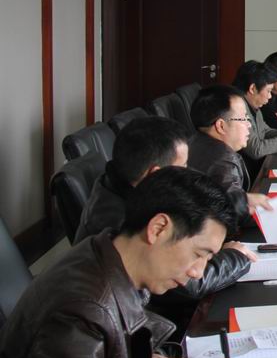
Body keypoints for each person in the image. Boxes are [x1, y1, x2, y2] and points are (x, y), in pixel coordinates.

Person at [0, 167, 248, 358]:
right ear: (158, 228)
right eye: (199, 254)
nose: (198, 272)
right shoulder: (82, 311)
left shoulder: (103, 251)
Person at [75, 116, 254, 299]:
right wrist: (234, 257)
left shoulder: (121, 182)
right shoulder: (119, 222)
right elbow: (191, 283)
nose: (187, 173)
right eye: (182, 167)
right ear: (156, 174)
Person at [188, 85, 274, 223]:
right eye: (243, 118)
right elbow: (233, 213)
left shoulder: (195, 141)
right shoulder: (223, 160)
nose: (249, 125)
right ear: (221, 126)